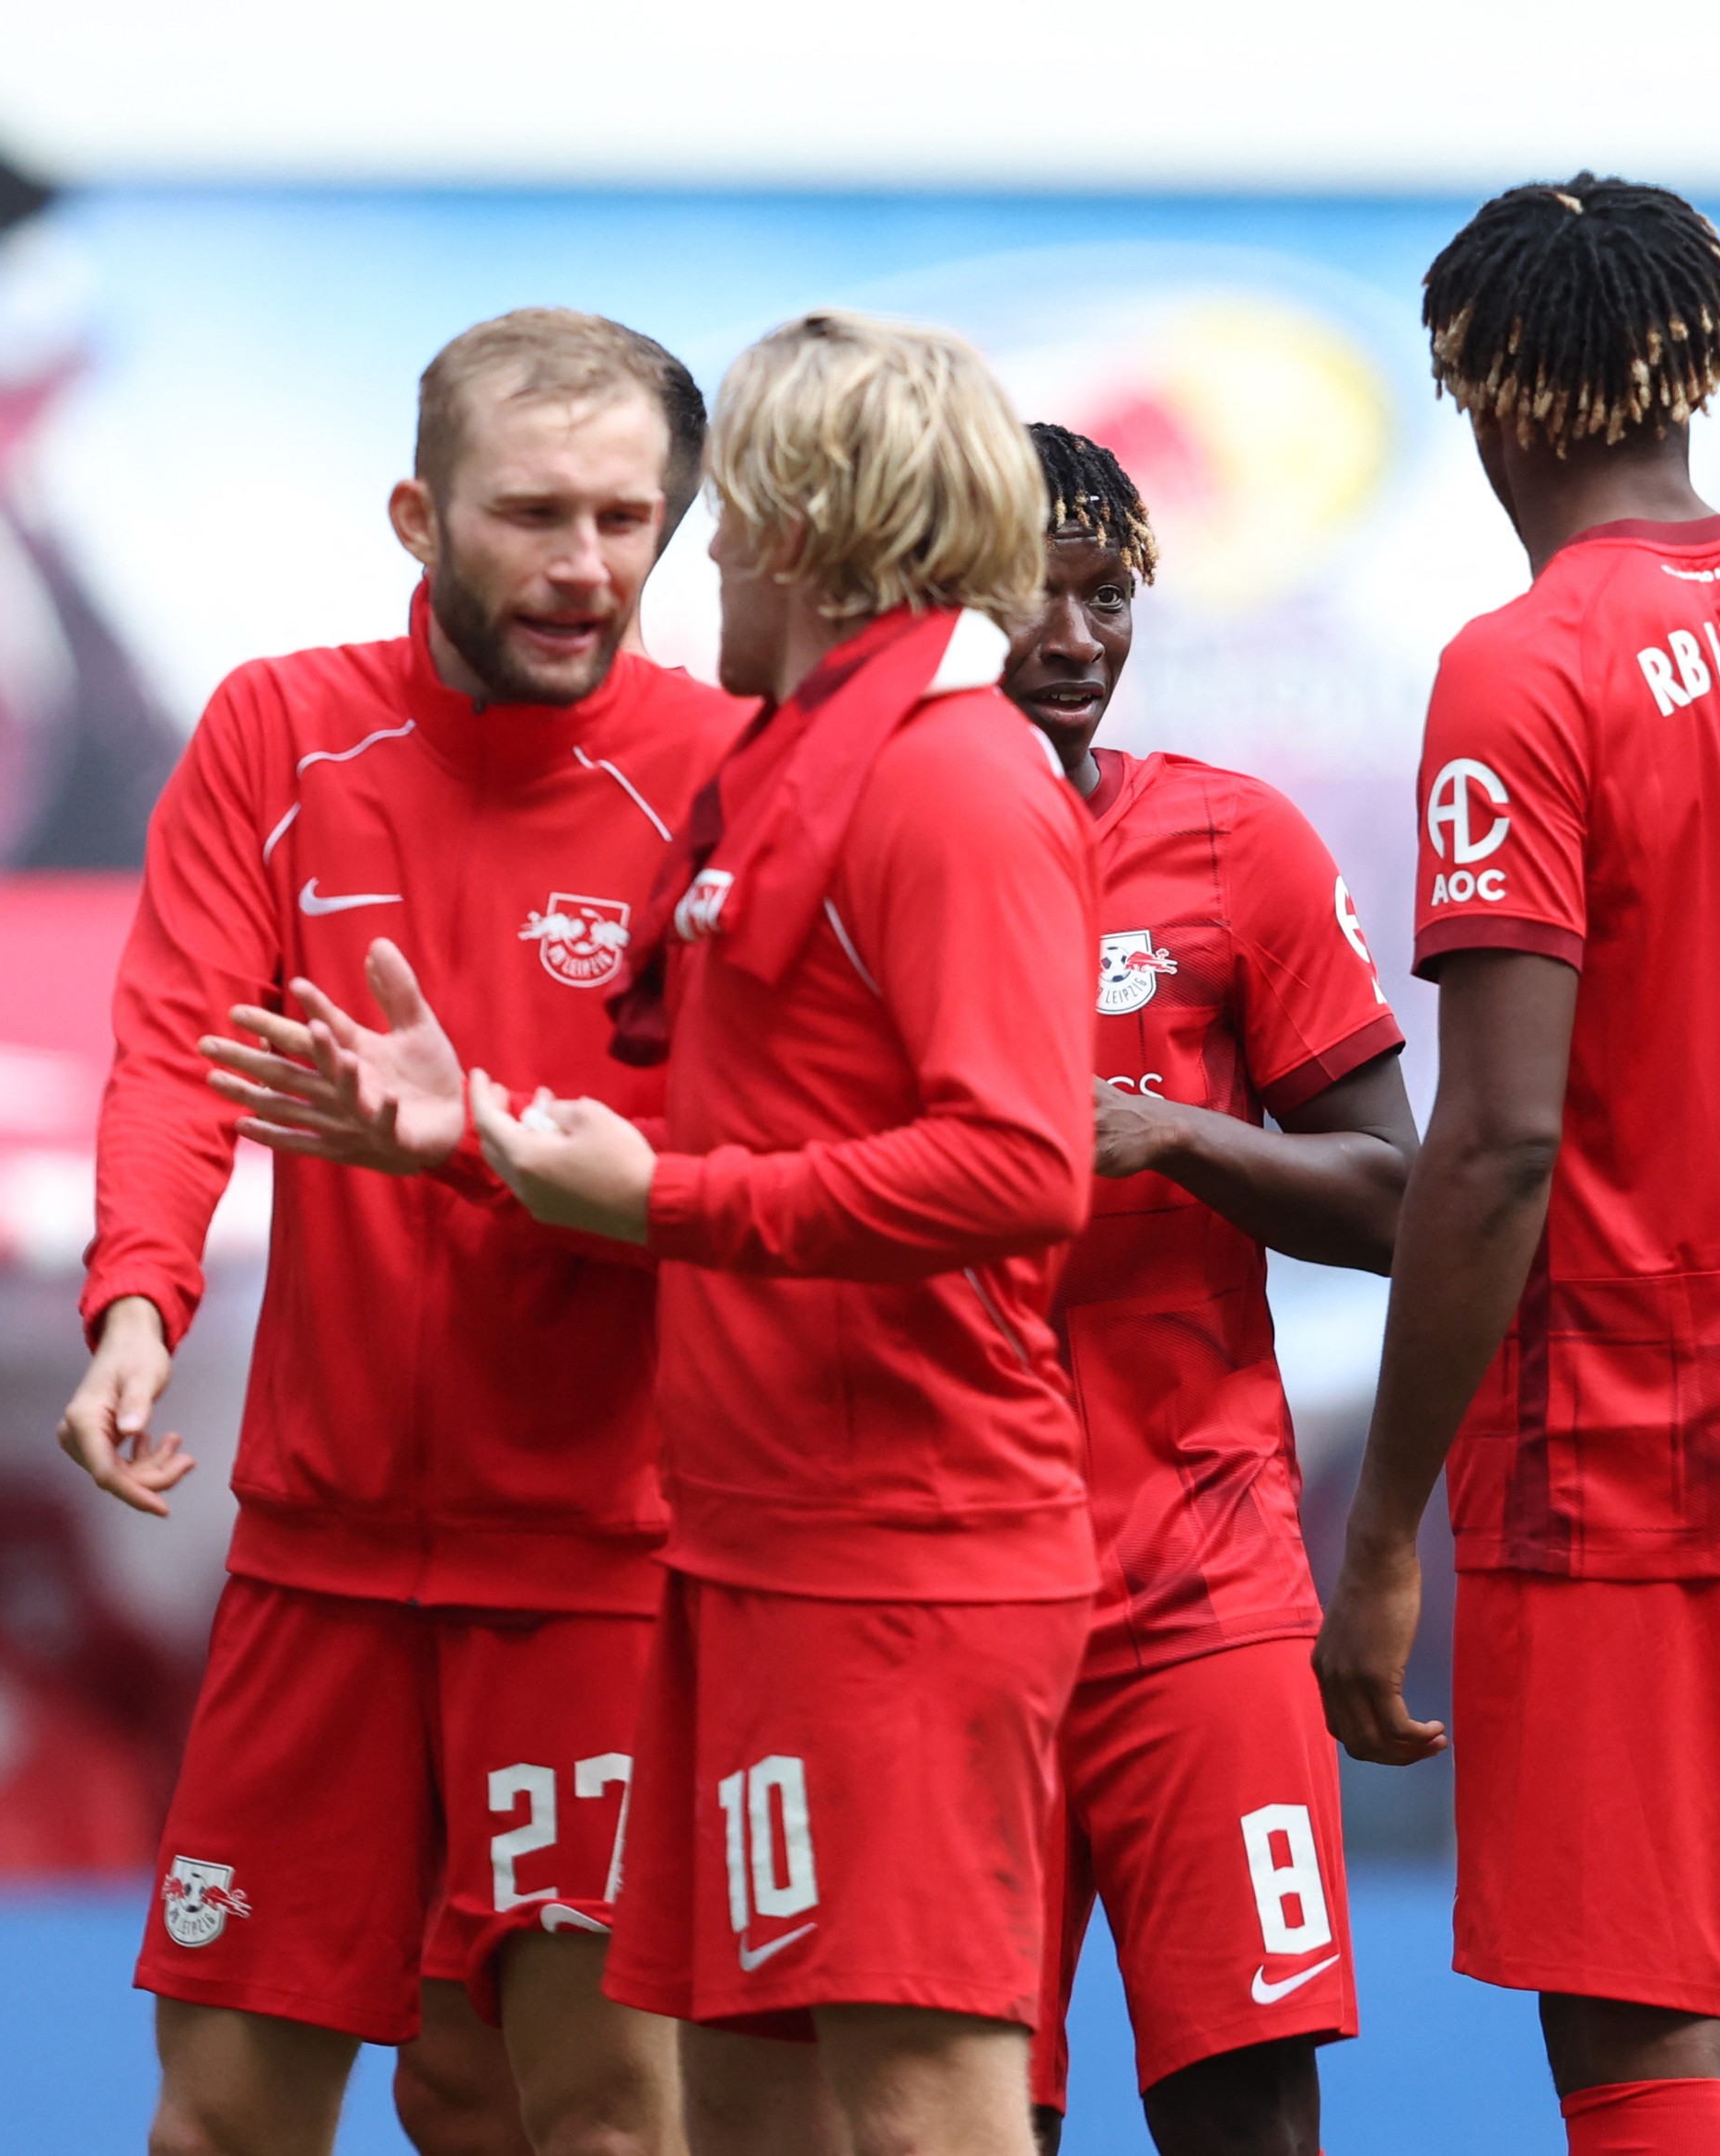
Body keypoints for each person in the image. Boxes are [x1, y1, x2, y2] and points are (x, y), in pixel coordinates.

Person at [1315, 176, 1720, 2156]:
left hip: (1626, 1446)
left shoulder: (1519, 667)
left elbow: (1500, 1140)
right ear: (1699, 363)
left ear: (1483, 391)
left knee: (1630, 2057)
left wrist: (1375, 1532)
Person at [62, 307, 745, 2156]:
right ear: (413, 513)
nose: (584, 564)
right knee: (218, 2121)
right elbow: (178, 1048)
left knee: (590, 2118)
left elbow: (741, 1169)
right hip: (319, 1557)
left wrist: (483, 1148)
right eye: (532, 512)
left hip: (600, 1564)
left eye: (626, 516)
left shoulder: (726, 771)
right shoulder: (279, 728)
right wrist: (135, 1302)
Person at [457, 309, 1098, 2156]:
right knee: (744, 2100)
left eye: (723, 507)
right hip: (751, 1546)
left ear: (803, 529)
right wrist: (472, 1138)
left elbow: (1017, 1167)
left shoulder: (957, 781)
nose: (702, 548)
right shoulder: (803, 765)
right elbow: (746, 1137)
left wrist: (653, 1199)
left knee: (913, 2109)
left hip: (908, 1554)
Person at [1008, 423, 1412, 2156]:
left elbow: (1399, 1194)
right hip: (941, 1596)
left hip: (1201, 1578)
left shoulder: (1231, 842)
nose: (1076, 634)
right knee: (948, 2111)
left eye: (1110, 595)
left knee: (1249, 2111)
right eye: (1030, 590)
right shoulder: (824, 859)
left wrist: (1171, 1135)